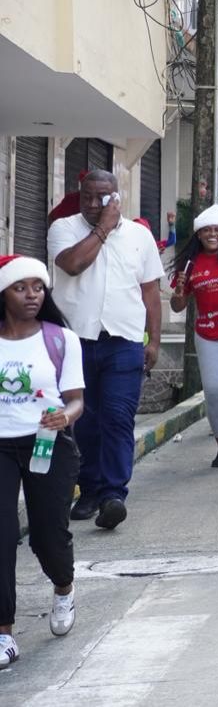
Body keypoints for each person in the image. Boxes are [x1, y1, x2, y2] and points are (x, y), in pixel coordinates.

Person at [48, 169, 163, 530]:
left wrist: (154, 339)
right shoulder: (63, 229)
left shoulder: (139, 236)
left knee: (117, 417)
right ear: (79, 196)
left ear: (117, 196)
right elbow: (72, 264)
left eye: (104, 198)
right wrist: (103, 229)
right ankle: (92, 489)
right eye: (89, 198)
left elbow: (150, 293)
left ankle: (114, 494)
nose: (95, 205)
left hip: (124, 342)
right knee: (85, 422)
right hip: (75, 341)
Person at [0, 255, 84, 666]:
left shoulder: (59, 338)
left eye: (38, 287)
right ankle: (3, 634)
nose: (32, 295)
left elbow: (76, 400)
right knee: (0, 534)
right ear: (3, 294)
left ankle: (64, 587)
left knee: (47, 537)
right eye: (20, 287)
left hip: (46, 441)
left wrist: (63, 416)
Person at [169, 204, 218, 468]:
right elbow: (177, 306)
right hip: (206, 334)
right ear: (198, 234)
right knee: (213, 391)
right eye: (206, 230)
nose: (212, 234)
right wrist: (179, 292)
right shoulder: (189, 264)